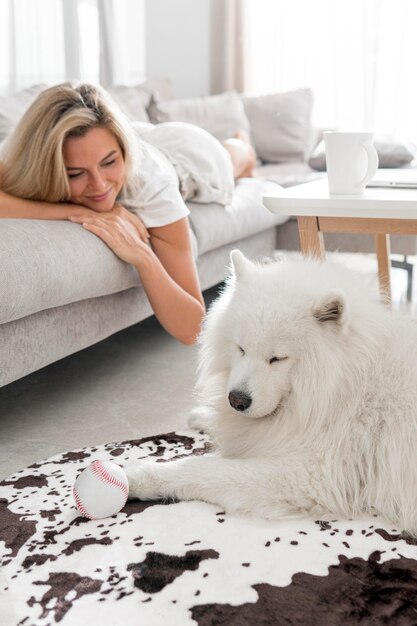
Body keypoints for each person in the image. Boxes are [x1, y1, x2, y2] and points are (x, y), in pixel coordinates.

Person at [0, 82, 257, 344]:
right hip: (140, 137)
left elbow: (193, 328)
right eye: (75, 174)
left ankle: (241, 144)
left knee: (232, 158)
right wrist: (77, 211)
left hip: (190, 156)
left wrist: (144, 257)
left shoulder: (150, 185)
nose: (99, 186)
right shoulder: (21, 156)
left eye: (110, 163)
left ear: (122, 152)